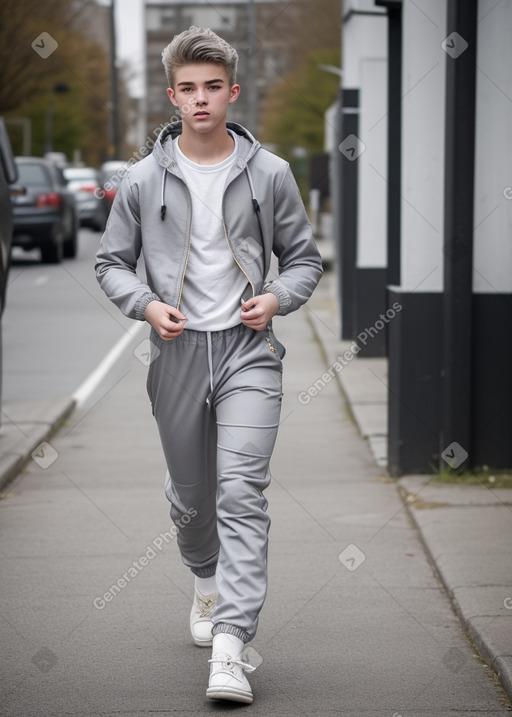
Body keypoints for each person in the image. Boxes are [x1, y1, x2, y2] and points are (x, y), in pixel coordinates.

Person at [95, 26, 323, 704]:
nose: (200, 99)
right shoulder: (140, 180)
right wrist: (145, 307)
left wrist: (278, 296)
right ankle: (204, 579)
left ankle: (231, 646)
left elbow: (306, 259)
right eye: (187, 89)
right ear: (172, 96)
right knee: (192, 502)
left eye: (211, 87)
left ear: (232, 92)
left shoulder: (270, 174)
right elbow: (110, 263)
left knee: (241, 493)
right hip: (177, 353)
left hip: (251, 353)